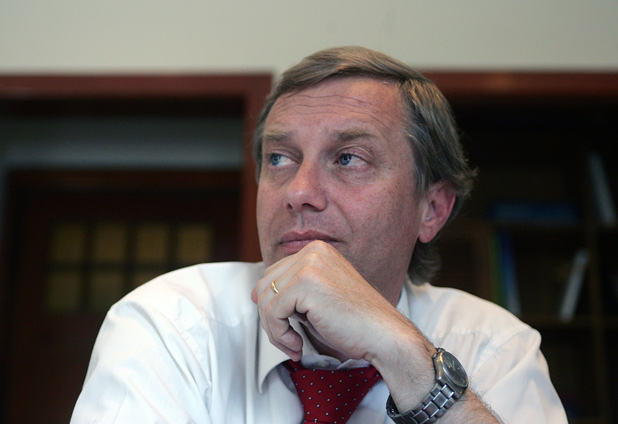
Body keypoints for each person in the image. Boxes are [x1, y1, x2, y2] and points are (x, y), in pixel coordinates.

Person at [71, 46, 567, 423]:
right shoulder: (172, 325)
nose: (299, 192)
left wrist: (405, 357)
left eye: (349, 158)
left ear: (432, 209)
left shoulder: (494, 348)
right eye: (279, 158)